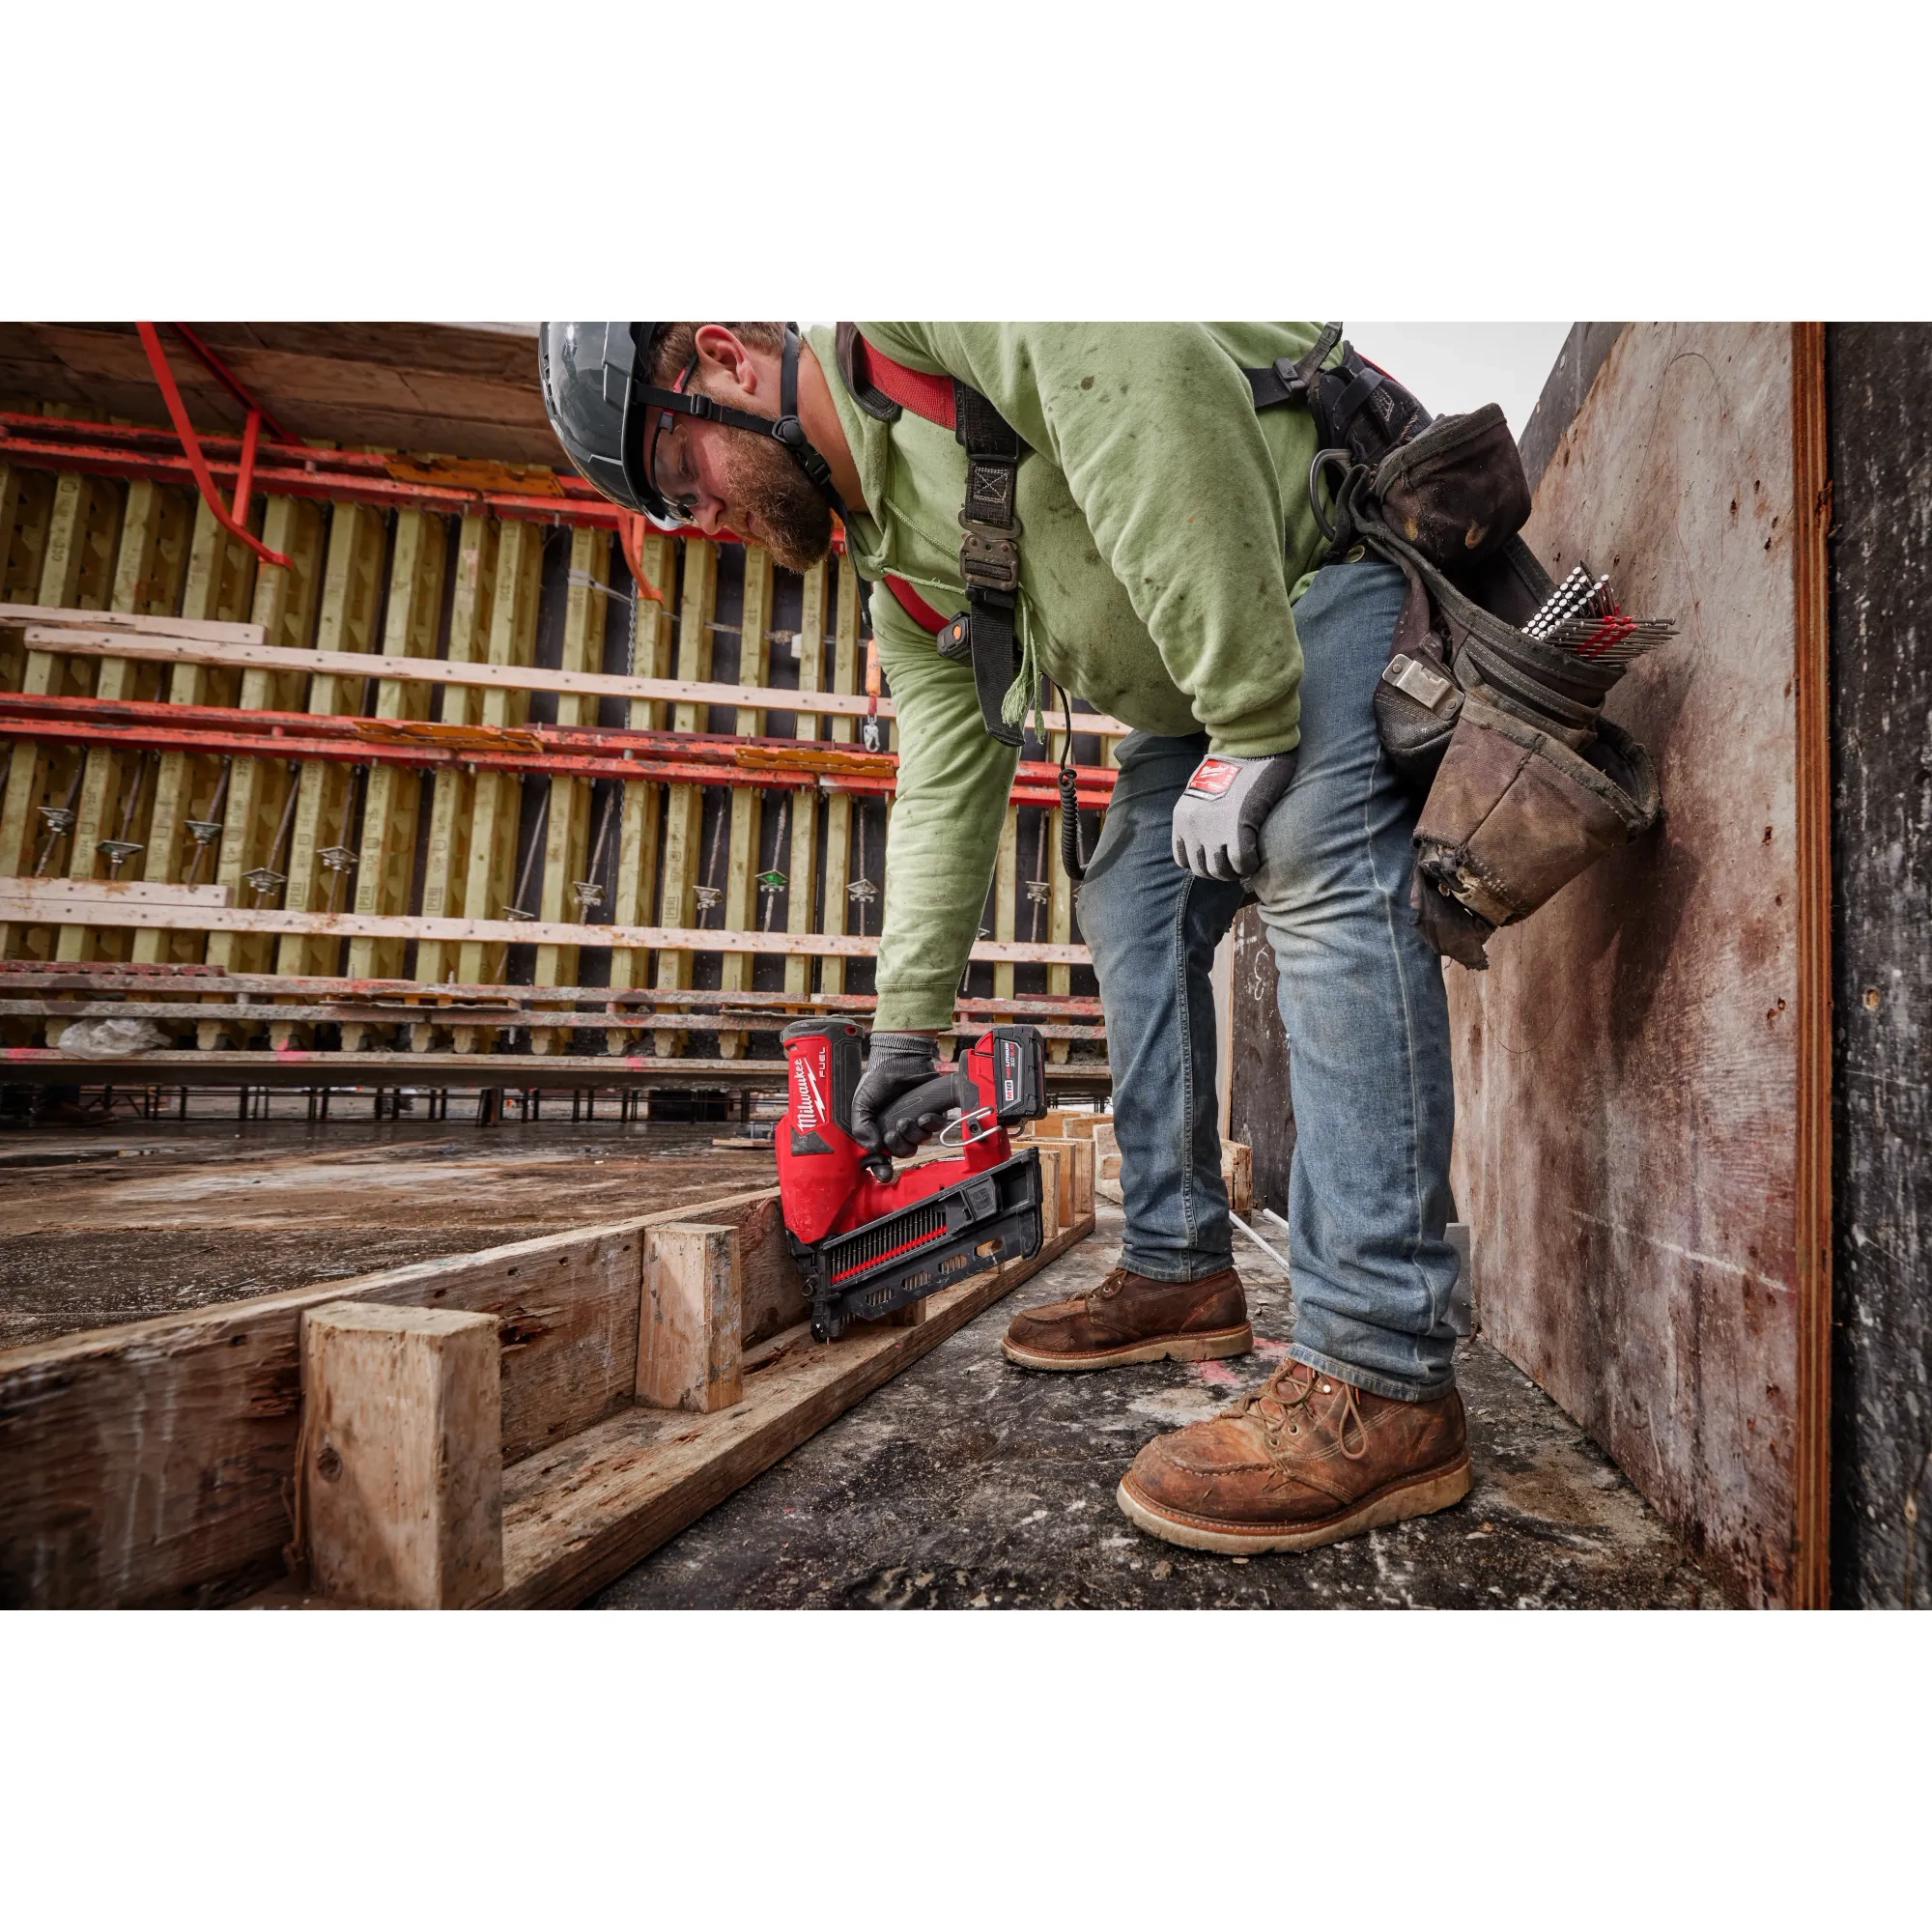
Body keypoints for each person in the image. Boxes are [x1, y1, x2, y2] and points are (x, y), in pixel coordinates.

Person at [539, 321, 1470, 1553]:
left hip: (1326, 570)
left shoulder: (925, 307)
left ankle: (1386, 1370)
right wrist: (903, 1029)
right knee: (1128, 898)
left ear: (720, 358)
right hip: (1210, 688)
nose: (700, 515)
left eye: (677, 473)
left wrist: (1249, 719)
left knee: (1307, 841)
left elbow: (1144, 372)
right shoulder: (899, 567)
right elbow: (942, 780)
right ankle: (1181, 1266)